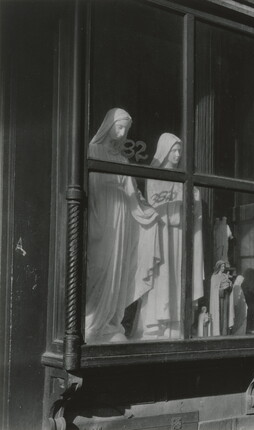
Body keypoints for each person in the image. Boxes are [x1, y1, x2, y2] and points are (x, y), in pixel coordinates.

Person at [85, 108, 159, 343]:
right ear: (108, 126)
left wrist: (146, 211)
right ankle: (91, 323)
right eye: (119, 127)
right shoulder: (92, 150)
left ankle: (109, 324)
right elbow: (88, 187)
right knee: (100, 267)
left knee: (118, 269)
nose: (122, 133)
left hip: (122, 217)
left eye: (125, 129)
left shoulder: (122, 159)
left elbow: (132, 193)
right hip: (101, 215)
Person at [133, 133, 204, 339]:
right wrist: (181, 199)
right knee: (162, 278)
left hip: (179, 236)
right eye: (174, 150)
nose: (177, 155)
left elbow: (192, 208)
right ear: (164, 151)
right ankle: (156, 324)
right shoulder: (155, 176)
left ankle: (176, 325)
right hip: (162, 236)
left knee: (177, 278)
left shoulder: (184, 178)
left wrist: (193, 198)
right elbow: (157, 206)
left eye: (179, 151)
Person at [209, 260, 232, 336]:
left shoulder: (225, 275)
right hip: (219, 299)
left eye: (224, 266)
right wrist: (222, 288)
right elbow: (214, 289)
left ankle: (224, 332)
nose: (223, 268)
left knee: (225, 315)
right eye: (222, 266)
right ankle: (218, 332)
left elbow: (229, 284)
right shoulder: (214, 277)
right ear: (218, 267)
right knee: (220, 315)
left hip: (226, 298)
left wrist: (229, 285)